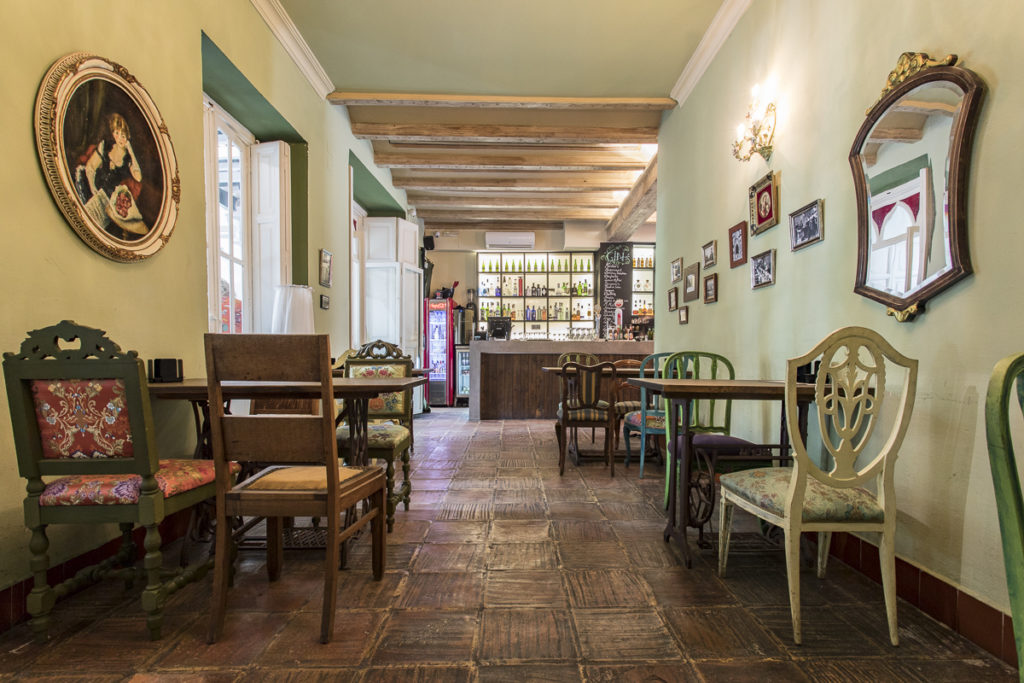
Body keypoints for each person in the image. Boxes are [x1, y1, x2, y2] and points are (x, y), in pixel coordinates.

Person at [74, 113, 147, 240]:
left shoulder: (128, 158)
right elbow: (91, 167)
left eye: (123, 135)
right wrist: (93, 189)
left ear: (128, 137)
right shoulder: (105, 146)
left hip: (109, 202)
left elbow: (138, 177)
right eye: (116, 133)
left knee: (92, 230)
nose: (119, 138)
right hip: (94, 193)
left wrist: (130, 151)